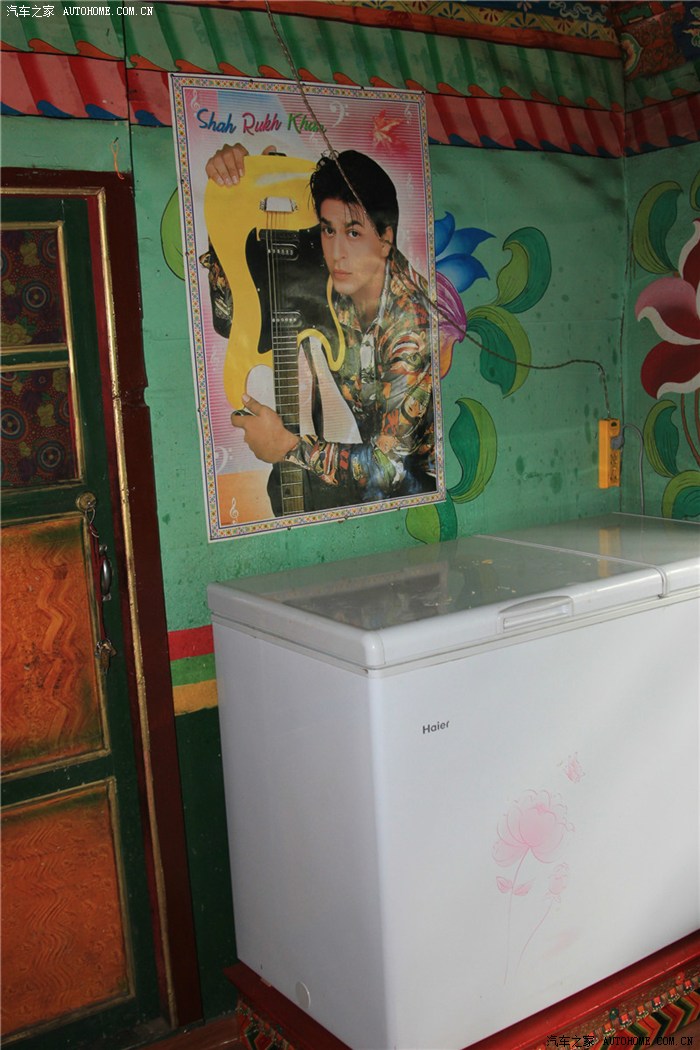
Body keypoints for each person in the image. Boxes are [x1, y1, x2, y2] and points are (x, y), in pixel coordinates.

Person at [204, 143, 436, 509]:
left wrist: (288, 446)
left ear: (385, 240)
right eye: (328, 230)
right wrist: (234, 190)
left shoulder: (410, 326)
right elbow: (230, 317)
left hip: (411, 495)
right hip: (352, 462)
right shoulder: (337, 276)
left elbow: (389, 468)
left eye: (354, 233)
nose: (337, 252)